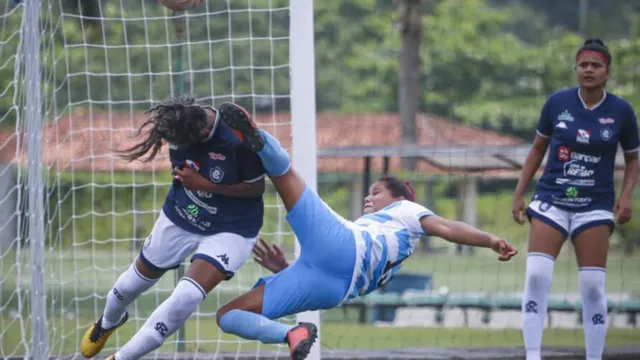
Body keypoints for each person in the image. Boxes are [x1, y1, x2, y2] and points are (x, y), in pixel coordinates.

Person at [210, 102, 518, 360]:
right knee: (227, 315)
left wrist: (488, 239)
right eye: (369, 193)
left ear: (400, 198)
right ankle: (292, 333)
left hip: (341, 248)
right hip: (333, 287)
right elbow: (350, 272)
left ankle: (260, 140)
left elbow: (447, 227)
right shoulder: (391, 250)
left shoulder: (406, 210)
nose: (369, 198)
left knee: (285, 175)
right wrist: (286, 269)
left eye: (376, 191)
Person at [80, 96, 267, 360]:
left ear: (202, 132)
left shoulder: (236, 140)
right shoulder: (180, 129)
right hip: (183, 214)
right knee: (130, 284)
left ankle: (122, 358)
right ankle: (108, 323)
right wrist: (197, 186)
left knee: (187, 296)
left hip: (231, 229)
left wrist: (207, 185)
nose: (175, 147)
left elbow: (257, 188)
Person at [512, 39, 639, 360]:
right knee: (537, 275)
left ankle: (594, 356)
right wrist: (519, 192)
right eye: (583, 65)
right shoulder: (557, 103)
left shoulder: (622, 111)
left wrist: (626, 197)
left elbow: (634, 158)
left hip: (595, 206)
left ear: (607, 72)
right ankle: (532, 355)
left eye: (596, 65)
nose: (589, 70)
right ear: (576, 69)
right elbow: (538, 149)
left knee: (593, 286)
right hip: (551, 200)